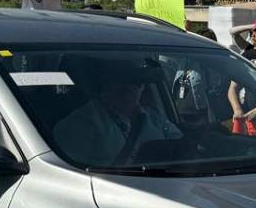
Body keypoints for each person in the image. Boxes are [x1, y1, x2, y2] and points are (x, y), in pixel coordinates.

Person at [54, 60, 182, 167]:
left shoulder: (157, 119)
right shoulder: (81, 122)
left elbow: (182, 148)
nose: (129, 87)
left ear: (143, 86)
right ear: (105, 83)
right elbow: (67, 173)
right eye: (122, 80)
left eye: (136, 81)